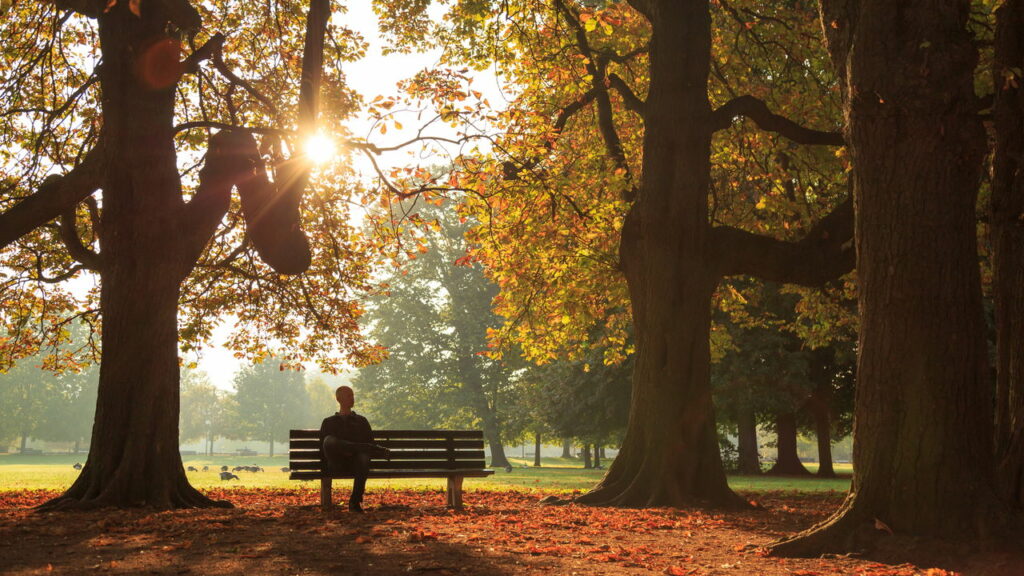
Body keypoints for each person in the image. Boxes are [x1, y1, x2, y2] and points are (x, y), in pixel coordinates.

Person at [320, 385, 388, 512]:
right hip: (336, 463)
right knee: (330, 440)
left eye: (353, 395)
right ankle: (360, 448)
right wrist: (356, 447)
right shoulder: (329, 422)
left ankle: (355, 501)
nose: (352, 398)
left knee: (364, 456)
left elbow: (370, 444)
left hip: (356, 463)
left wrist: (353, 450)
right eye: (349, 395)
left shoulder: (361, 421)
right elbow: (325, 447)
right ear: (339, 399)